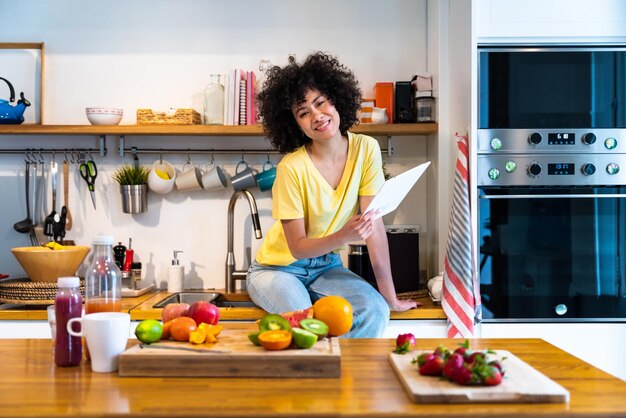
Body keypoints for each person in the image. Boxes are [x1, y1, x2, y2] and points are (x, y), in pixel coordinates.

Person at [246, 52, 417, 338]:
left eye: (320, 102)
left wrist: (390, 297)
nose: (316, 116)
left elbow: (373, 227)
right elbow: (298, 247)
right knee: (305, 325)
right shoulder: (292, 168)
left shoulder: (366, 149)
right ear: (295, 125)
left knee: (375, 311)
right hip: (277, 270)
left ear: (335, 99)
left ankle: (338, 375)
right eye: (303, 113)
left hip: (326, 267)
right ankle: (319, 375)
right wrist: (344, 236)